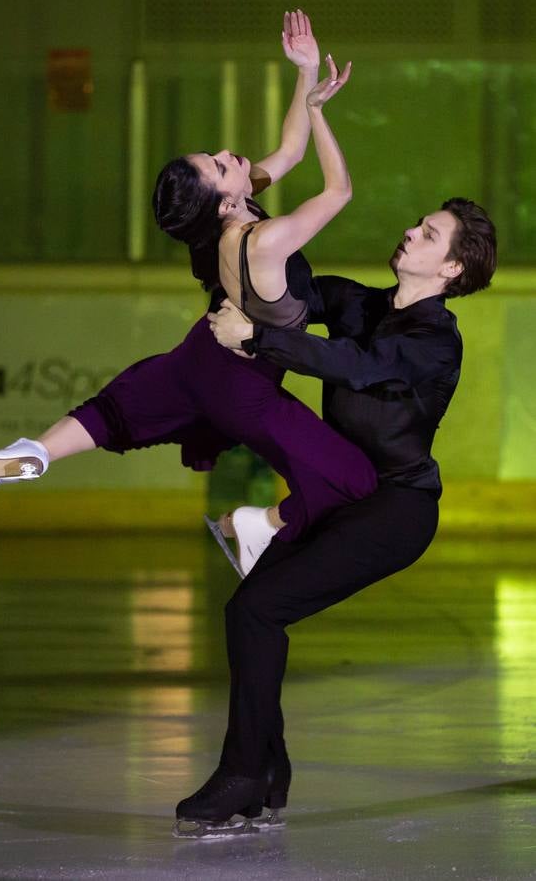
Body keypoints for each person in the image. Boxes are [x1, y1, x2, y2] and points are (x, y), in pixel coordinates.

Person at [0, 12, 377, 576]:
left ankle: (35, 451)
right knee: (355, 480)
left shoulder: (220, 224)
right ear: (225, 200)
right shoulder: (265, 240)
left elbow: (289, 153)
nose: (229, 152)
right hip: (245, 386)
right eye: (221, 164)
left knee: (120, 410)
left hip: (200, 356)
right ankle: (259, 525)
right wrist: (318, 108)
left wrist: (301, 71)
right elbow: (337, 189)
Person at [171, 197, 497, 837]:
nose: (409, 229)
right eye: (417, 220)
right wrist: (240, 227)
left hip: (396, 512)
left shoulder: (436, 341)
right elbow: (286, 287)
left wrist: (261, 340)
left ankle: (246, 774)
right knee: (251, 612)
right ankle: (263, 772)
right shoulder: (361, 303)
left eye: (428, 233)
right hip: (342, 494)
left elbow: (356, 365)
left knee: (259, 610)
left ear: (452, 268)